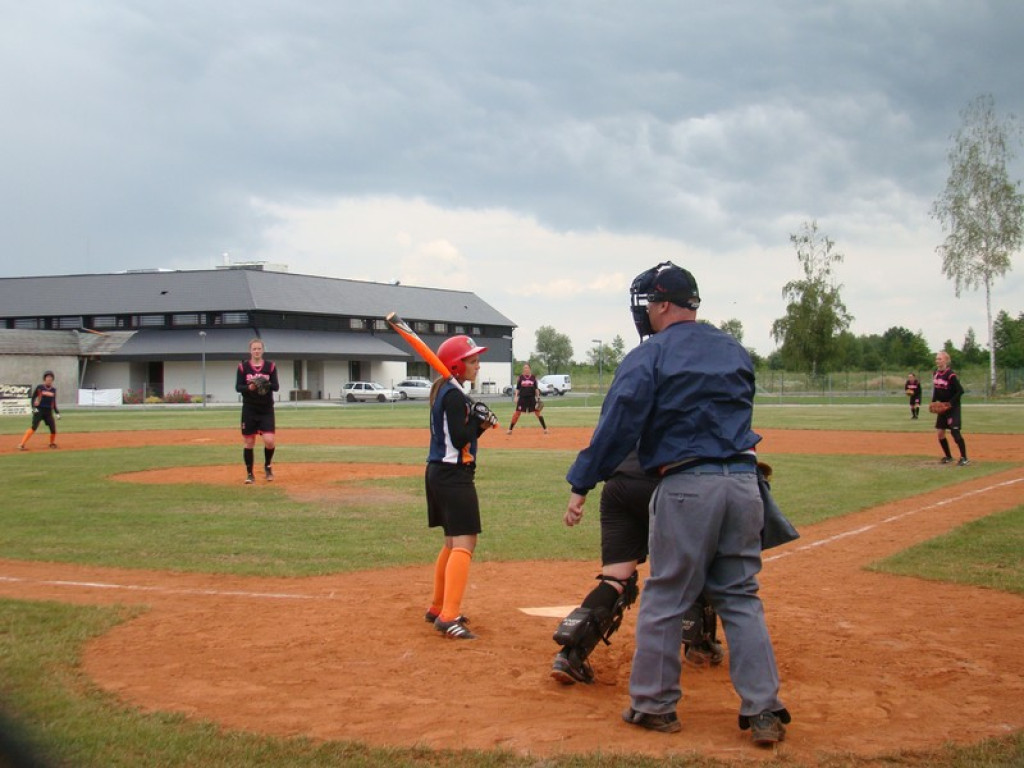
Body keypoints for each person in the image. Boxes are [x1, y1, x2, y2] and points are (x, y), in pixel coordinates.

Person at [564, 262, 789, 745]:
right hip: (746, 482)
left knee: (666, 597)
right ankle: (765, 710)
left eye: (648, 302)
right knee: (741, 597)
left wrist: (582, 481)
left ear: (663, 304)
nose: (645, 311)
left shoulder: (652, 353)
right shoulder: (732, 347)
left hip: (689, 485)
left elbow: (617, 425)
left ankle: (654, 705)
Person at [551, 450, 723, 685]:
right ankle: (699, 645)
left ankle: (570, 656)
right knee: (696, 561)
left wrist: (579, 490)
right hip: (666, 484)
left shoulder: (628, 411)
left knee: (615, 579)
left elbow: (605, 439)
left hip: (619, 485)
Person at [424, 335, 498, 640]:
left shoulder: (447, 390)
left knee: (453, 543)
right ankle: (449, 616)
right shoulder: (453, 396)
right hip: (454, 476)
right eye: (472, 361)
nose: (477, 366)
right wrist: (479, 425)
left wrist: (476, 420)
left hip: (440, 473)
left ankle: (437, 607)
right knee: (465, 544)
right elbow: (459, 439)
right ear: (456, 364)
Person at [235, 338, 280, 484]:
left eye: (259, 348)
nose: (256, 351)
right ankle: (250, 474)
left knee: (269, 440)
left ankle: (267, 466)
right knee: (249, 441)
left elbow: (276, 386)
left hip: (266, 408)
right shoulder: (243, 367)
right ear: (250, 351)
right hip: (249, 408)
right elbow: (238, 387)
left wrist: (265, 383)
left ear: (263, 350)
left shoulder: (270, 366)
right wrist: (250, 387)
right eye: (254, 349)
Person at [931, 351, 968, 466]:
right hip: (942, 407)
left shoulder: (951, 375)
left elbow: (960, 391)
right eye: (937, 359)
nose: (938, 361)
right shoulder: (935, 374)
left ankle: (964, 457)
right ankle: (948, 456)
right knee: (940, 433)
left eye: (940, 359)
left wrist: (950, 403)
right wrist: (934, 401)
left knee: (954, 431)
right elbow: (936, 389)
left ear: (946, 360)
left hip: (953, 407)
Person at [18, 371, 61, 450]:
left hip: (48, 411)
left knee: (53, 429)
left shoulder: (53, 390)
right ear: (44, 379)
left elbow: (53, 402)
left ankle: (51, 443)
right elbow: (33, 398)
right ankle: (22, 444)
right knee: (34, 427)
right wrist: (34, 408)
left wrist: (57, 412)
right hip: (39, 409)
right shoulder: (40, 387)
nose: (49, 380)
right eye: (47, 378)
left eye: (51, 379)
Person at [506, 363, 548, 434]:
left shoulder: (533, 378)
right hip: (522, 398)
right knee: (517, 413)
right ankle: (510, 429)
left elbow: (536, 389)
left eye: (527, 368)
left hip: (531, 398)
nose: (526, 369)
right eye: (524, 368)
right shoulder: (520, 377)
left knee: (538, 412)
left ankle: (545, 429)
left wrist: (538, 398)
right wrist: (516, 396)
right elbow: (518, 388)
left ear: (529, 369)